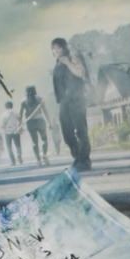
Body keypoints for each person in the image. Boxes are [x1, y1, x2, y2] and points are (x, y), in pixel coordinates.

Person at [51, 37, 93, 172]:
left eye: (58, 47)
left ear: (64, 48)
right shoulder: (57, 64)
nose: (56, 51)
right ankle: (78, 157)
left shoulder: (72, 58)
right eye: (53, 48)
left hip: (77, 100)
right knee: (67, 133)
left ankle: (84, 160)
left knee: (81, 130)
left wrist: (68, 63)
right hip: (64, 102)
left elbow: (81, 73)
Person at [20, 85, 51, 165]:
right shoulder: (40, 99)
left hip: (30, 123)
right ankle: (44, 155)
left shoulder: (23, 101)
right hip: (40, 121)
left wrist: (20, 126)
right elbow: (45, 111)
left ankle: (38, 160)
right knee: (44, 139)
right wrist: (49, 122)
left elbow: (21, 115)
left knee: (34, 142)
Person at [0, 99, 24, 164]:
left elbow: (2, 125)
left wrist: (3, 128)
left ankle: (13, 161)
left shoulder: (3, 114)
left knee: (9, 147)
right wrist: (20, 127)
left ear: (5, 106)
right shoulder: (16, 112)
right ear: (12, 105)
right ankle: (19, 156)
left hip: (7, 132)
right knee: (18, 145)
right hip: (16, 131)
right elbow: (20, 120)